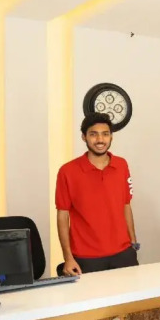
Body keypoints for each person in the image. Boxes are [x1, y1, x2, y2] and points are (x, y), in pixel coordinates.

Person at [55, 113, 139, 275]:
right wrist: (68, 257)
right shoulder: (67, 171)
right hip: (86, 258)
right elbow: (62, 216)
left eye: (105, 134)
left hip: (123, 254)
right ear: (84, 137)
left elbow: (126, 206)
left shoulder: (121, 165)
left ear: (111, 137)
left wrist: (133, 242)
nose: (100, 139)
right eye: (93, 134)